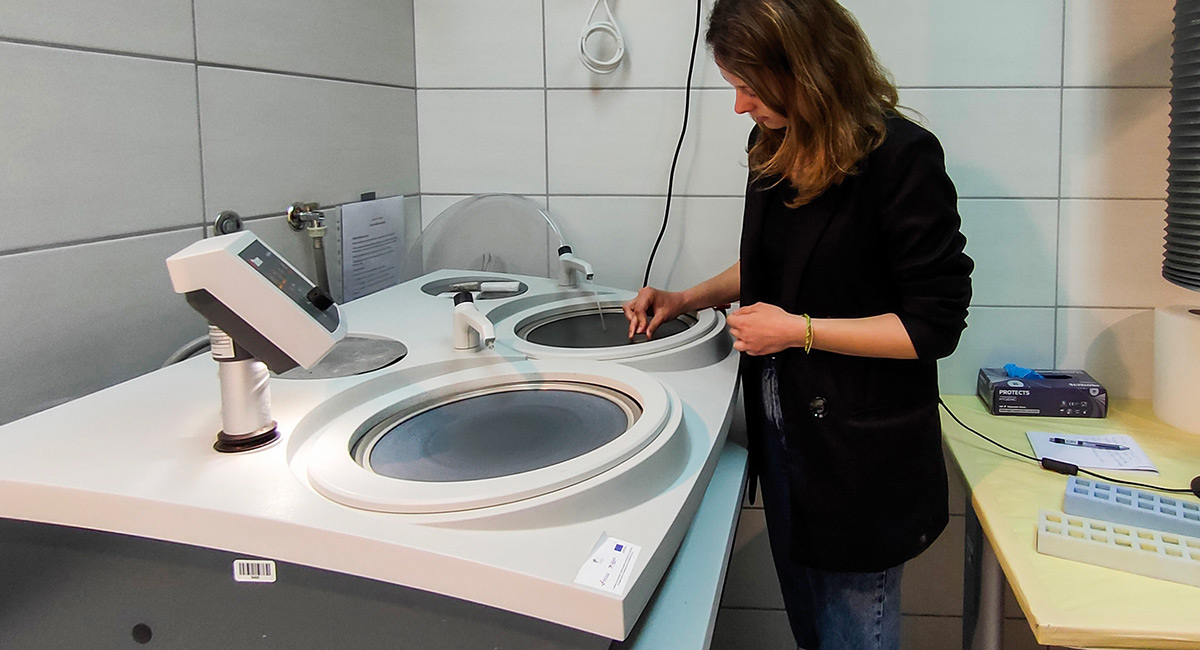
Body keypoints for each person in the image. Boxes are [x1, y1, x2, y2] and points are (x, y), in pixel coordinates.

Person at [622, 1, 973, 648]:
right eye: (734, 88)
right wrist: (685, 298)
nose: (739, 107)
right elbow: (768, 264)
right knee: (812, 631)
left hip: (859, 457)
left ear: (804, 71)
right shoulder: (774, 142)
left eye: (750, 89)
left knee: (851, 632)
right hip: (786, 441)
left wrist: (800, 331)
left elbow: (934, 324)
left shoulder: (901, 158)